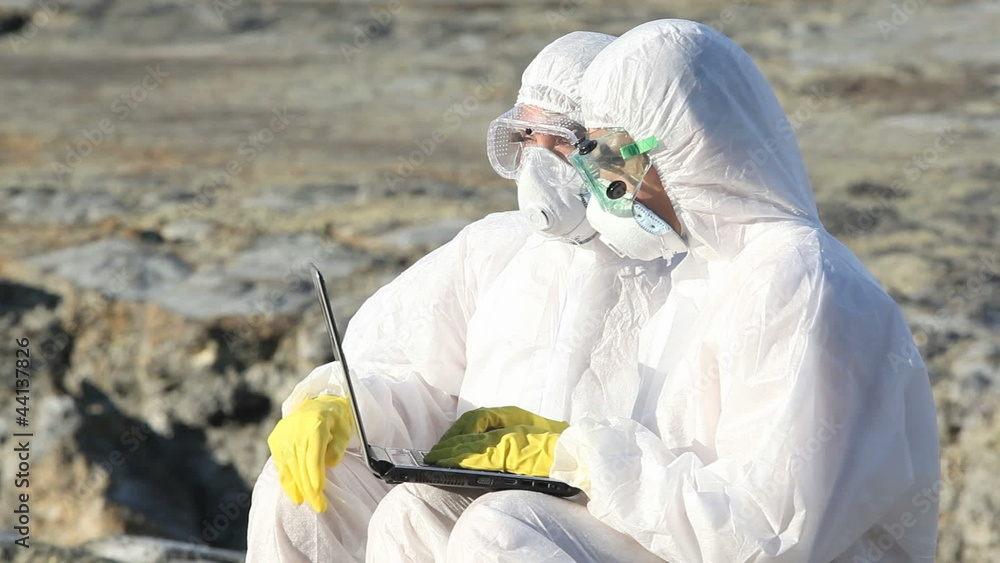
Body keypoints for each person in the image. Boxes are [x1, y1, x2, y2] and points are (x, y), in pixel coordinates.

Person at [246, 31, 676, 562]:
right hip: (469, 512)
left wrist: (571, 455)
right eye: (525, 136)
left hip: (613, 536)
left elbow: (716, 470)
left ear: (616, 147)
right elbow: (420, 376)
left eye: (561, 140)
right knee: (300, 489)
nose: (536, 163)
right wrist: (344, 408)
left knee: (460, 522)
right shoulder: (493, 249)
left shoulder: (682, 270)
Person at [533, 19, 937, 562]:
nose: (607, 184)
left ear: (688, 147)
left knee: (506, 530)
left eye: (615, 156)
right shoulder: (700, 276)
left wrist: (588, 456)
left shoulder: (802, 281)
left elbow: (764, 535)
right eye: (595, 160)